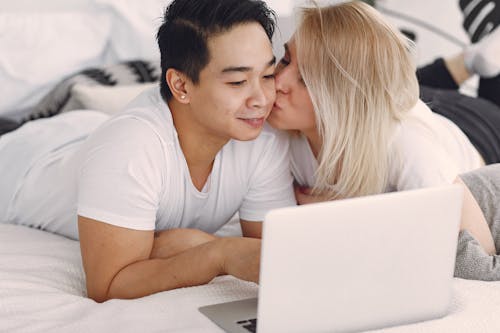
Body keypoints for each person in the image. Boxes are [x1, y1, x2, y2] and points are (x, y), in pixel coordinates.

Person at [0, 0, 296, 302]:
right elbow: (108, 285)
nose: (261, 98)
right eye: (237, 82)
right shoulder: (128, 149)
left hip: (85, 133)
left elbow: (274, 253)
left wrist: (193, 243)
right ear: (180, 85)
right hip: (21, 160)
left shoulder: (263, 136)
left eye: (268, 75)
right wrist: (218, 253)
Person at [267, 1, 500, 200]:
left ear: (342, 98)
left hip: (476, 128)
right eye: (286, 60)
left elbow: (464, 235)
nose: (277, 82)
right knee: (389, 86)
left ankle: (479, 61)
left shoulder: (408, 147)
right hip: (404, 106)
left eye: (306, 80)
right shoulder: (273, 128)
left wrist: (346, 211)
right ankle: (470, 60)